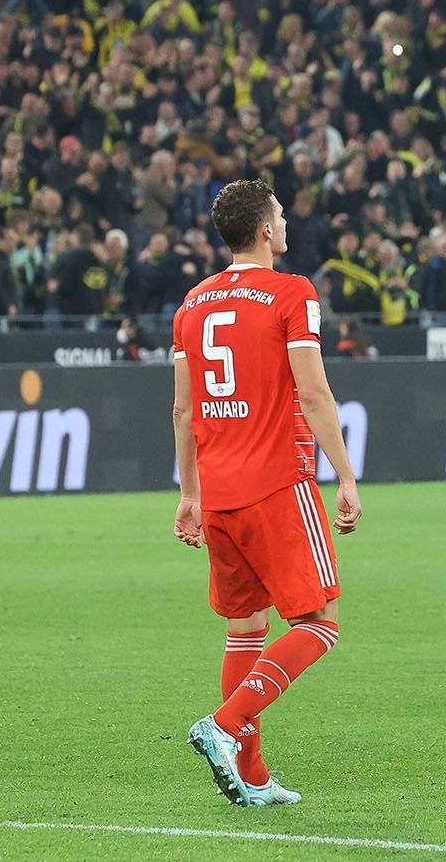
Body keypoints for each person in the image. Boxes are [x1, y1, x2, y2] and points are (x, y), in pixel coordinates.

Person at [170, 179, 362, 805]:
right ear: (264, 231)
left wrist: (189, 495)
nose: (286, 226)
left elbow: (182, 410)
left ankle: (251, 777)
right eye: (280, 216)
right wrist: (346, 474)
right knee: (321, 623)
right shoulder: (292, 292)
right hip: (278, 483)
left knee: (245, 628)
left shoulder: (191, 305)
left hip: (219, 492)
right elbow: (312, 392)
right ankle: (223, 726)